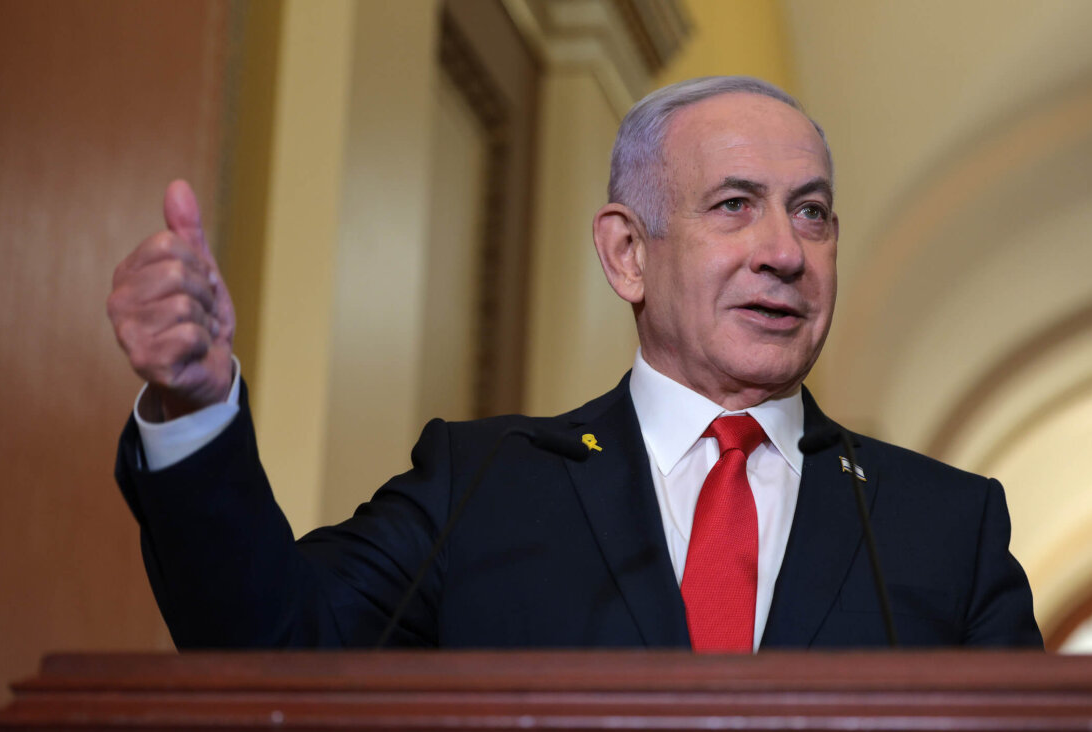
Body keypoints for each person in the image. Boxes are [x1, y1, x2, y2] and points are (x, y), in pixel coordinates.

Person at [107, 76, 1043, 650]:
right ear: (627, 253)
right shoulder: (479, 490)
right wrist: (193, 408)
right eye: (733, 205)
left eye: (811, 212)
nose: (785, 250)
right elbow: (277, 648)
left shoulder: (941, 528)